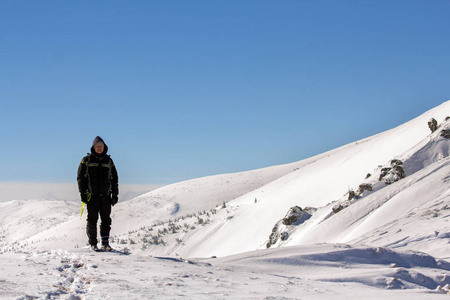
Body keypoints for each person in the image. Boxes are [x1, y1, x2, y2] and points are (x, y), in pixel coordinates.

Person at [77, 136, 119, 251]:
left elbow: (114, 178)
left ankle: (105, 244)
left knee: (106, 220)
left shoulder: (109, 161)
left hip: (106, 196)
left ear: (104, 147)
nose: (99, 148)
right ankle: (93, 243)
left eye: (101, 146)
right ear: (93, 147)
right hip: (92, 196)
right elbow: (80, 178)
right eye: (97, 146)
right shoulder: (86, 160)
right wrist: (83, 194)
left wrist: (115, 194)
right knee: (92, 220)